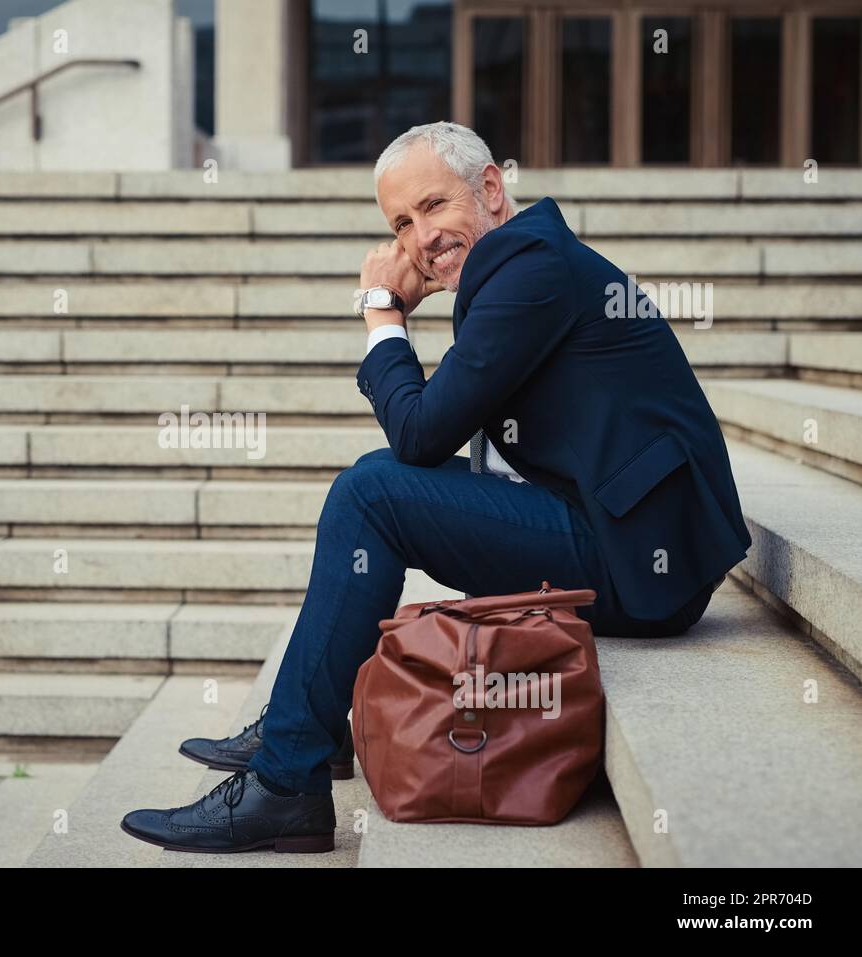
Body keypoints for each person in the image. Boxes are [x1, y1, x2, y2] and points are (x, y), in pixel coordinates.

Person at [119, 121, 750, 854]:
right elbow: (431, 429)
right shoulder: (518, 265)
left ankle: (287, 780)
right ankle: (306, 734)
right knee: (372, 483)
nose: (420, 237)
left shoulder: (532, 269)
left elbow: (420, 432)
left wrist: (381, 315)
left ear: (489, 188)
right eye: (400, 224)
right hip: (612, 526)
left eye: (432, 207)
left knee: (372, 493)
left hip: (641, 559)